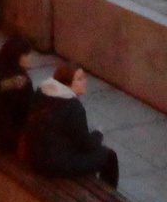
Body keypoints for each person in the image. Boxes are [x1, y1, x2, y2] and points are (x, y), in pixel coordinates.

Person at [23, 61, 119, 189]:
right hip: (52, 165)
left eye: (84, 77)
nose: (85, 81)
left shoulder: (41, 92)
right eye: (79, 79)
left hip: (34, 157)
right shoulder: (73, 107)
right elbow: (86, 144)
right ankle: (110, 199)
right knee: (108, 156)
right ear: (67, 82)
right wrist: (98, 134)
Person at [0, 35, 34, 154]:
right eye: (26, 55)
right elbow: (27, 108)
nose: (28, 59)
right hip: (9, 136)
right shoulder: (21, 82)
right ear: (18, 57)